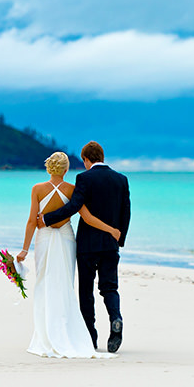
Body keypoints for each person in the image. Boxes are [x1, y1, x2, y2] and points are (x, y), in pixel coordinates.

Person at [17, 151, 119, 358]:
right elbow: (87, 218)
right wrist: (111, 230)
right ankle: (66, 330)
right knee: (65, 283)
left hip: (44, 238)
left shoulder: (37, 189)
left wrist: (24, 250)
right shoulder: (72, 189)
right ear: (65, 169)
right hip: (66, 239)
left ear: (48, 168)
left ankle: (45, 333)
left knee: (44, 283)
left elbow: (31, 221)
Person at [38, 142, 131, 353]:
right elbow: (126, 212)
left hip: (88, 244)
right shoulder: (121, 179)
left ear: (86, 160)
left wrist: (47, 219)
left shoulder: (84, 178)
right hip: (110, 243)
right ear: (102, 156)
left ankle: (90, 336)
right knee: (109, 287)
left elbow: (73, 207)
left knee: (86, 291)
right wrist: (119, 238)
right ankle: (116, 318)